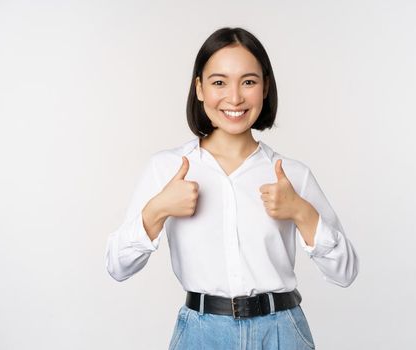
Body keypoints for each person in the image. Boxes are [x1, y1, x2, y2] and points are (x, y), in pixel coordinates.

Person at [104, 27, 359, 349]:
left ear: (265, 87)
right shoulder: (166, 168)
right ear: (199, 88)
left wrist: (302, 212)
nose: (235, 97)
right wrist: (157, 210)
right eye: (219, 82)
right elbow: (118, 267)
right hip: (200, 334)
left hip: (282, 332)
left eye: (249, 81)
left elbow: (345, 273)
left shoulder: (292, 174)